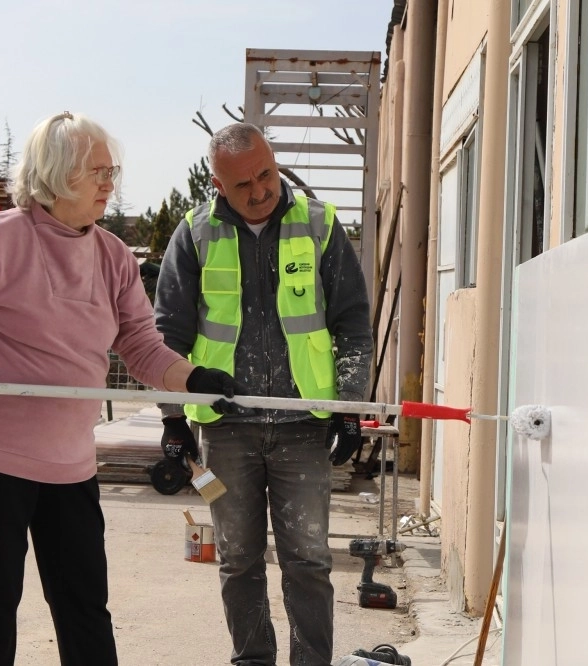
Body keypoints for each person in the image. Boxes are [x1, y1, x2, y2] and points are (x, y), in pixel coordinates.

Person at [0, 111, 241, 666]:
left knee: (84, 608)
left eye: (112, 171)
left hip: (71, 464)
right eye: (97, 171)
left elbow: (141, 346)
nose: (109, 183)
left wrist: (194, 379)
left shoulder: (114, 256)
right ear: (54, 173)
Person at [154, 122, 374, 666]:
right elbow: (168, 335)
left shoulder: (319, 225)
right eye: (242, 184)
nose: (259, 192)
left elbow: (352, 324)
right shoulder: (195, 233)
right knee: (238, 561)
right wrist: (173, 419)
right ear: (217, 184)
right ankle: (252, 660)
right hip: (226, 427)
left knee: (308, 561)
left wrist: (349, 409)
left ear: (274, 162)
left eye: (266, 175)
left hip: (304, 426)